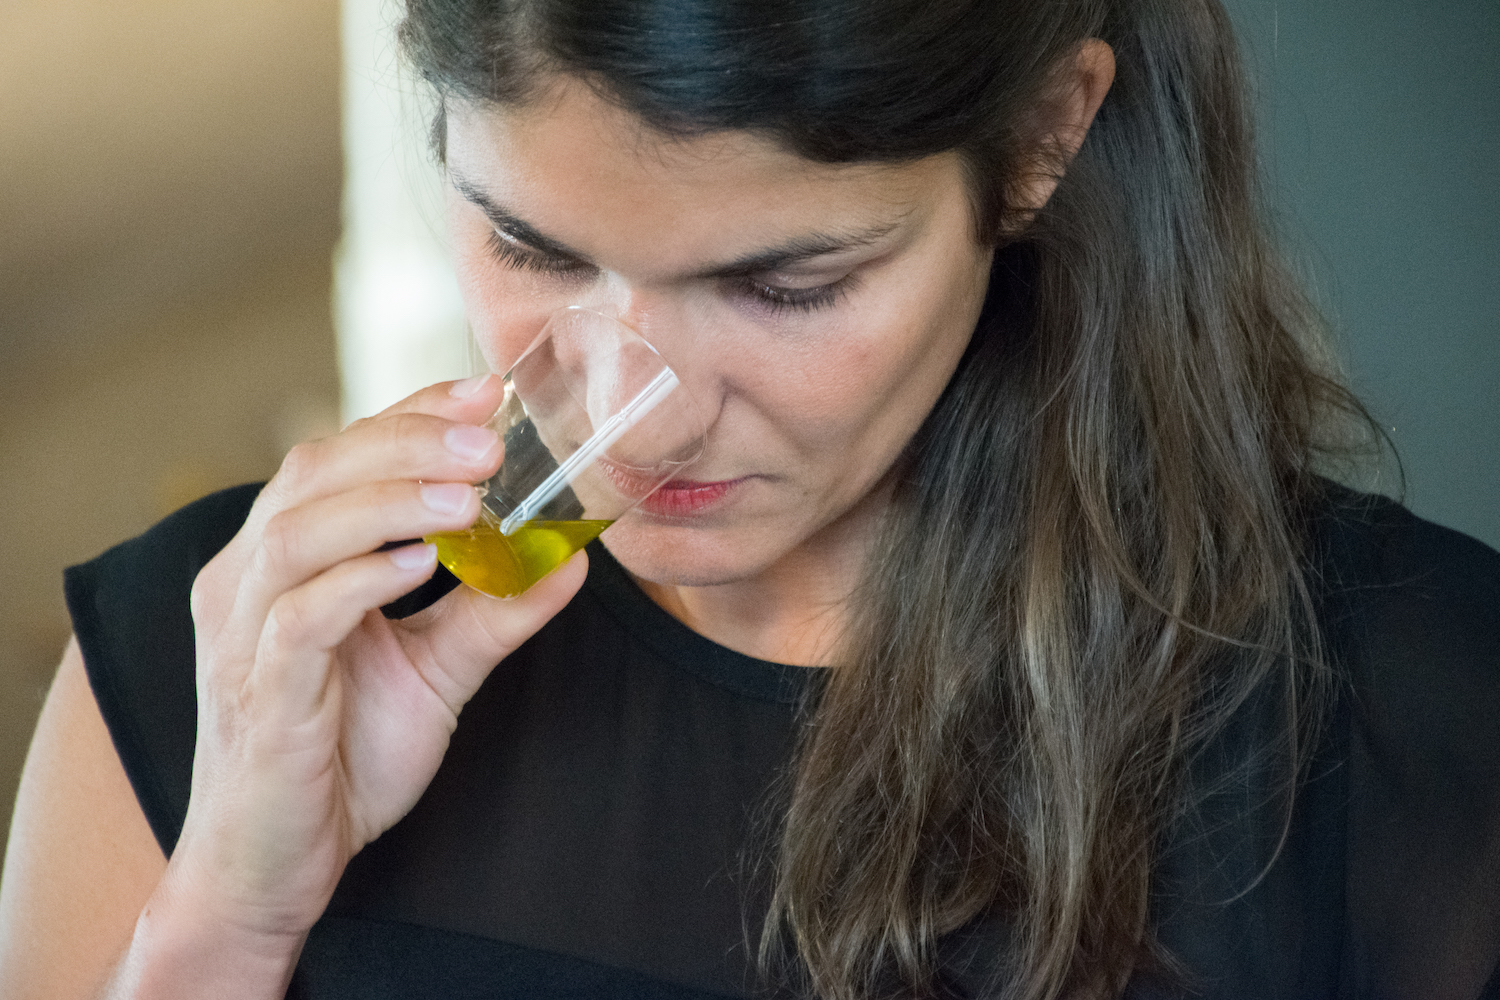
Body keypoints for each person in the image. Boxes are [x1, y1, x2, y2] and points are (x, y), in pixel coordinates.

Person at [2, 0, 1498, 997]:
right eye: (533, 248)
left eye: (785, 285)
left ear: (1048, 135)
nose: (642, 406)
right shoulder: (226, 665)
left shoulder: (1413, 724)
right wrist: (229, 919)